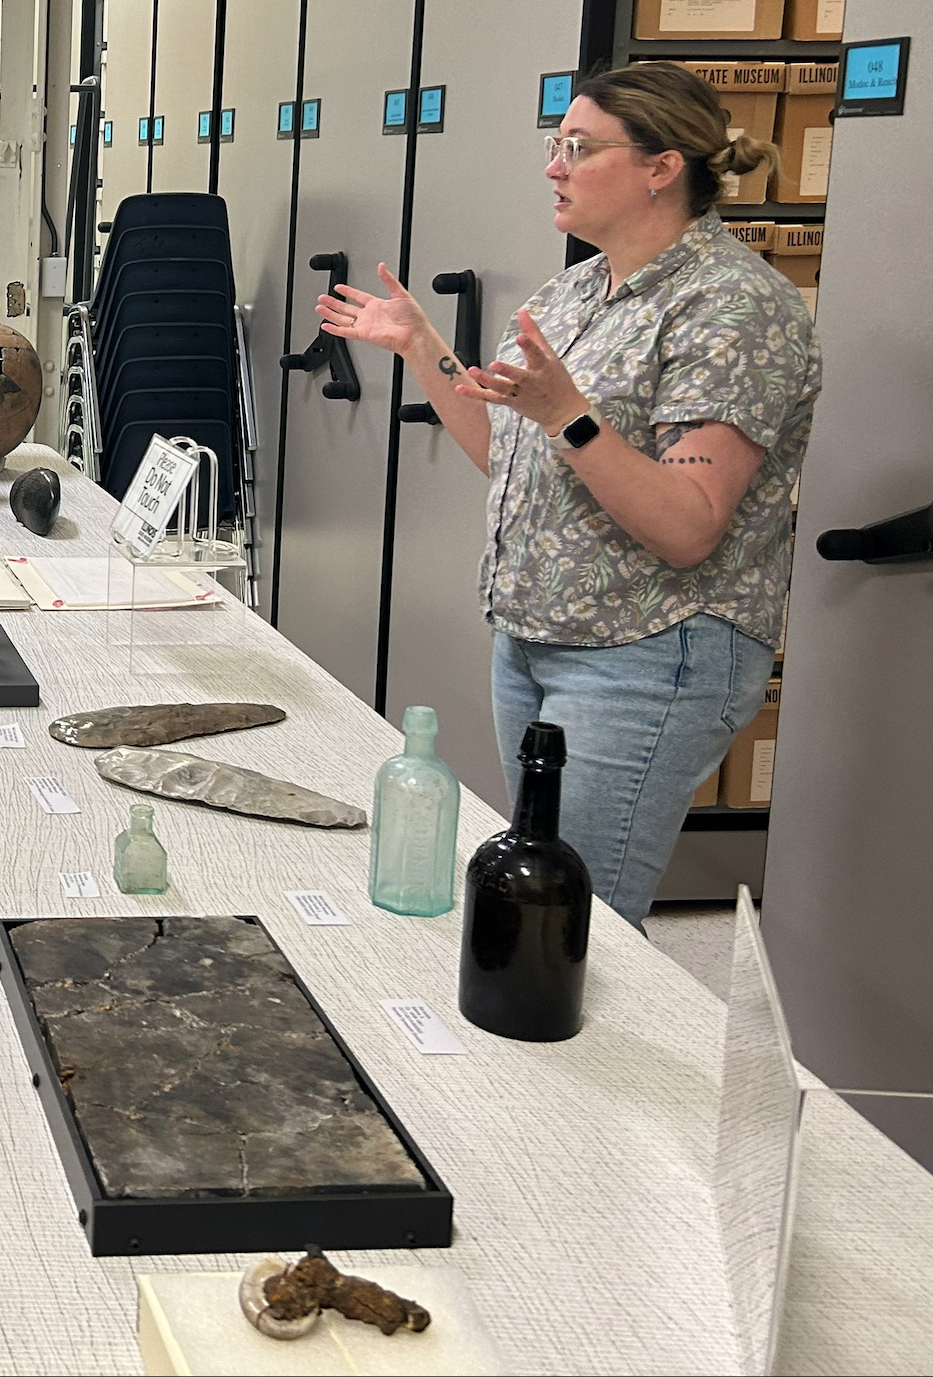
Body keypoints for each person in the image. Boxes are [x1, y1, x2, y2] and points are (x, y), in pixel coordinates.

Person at [319, 61, 819, 927]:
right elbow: (513, 455)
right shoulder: (582, 289)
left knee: (573, 915)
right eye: (556, 145)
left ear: (661, 167)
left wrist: (573, 418)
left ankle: (587, 1063)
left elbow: (691, 524)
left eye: (578, 148)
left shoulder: (735, 307)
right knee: (539, 891)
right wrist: (421, 347)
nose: (554, 166)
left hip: (649, 650)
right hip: (538, 639)